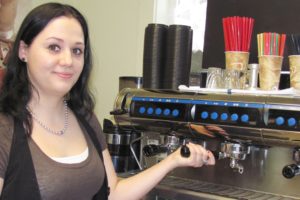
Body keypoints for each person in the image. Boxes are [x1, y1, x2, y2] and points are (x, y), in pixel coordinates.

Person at [0, 2, 215, 200]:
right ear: (23, 50)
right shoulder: (5, 128)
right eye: (54, 47)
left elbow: (114, 193)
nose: (67, 61)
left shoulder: (84, 118)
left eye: (77, 51)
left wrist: (173, 161)